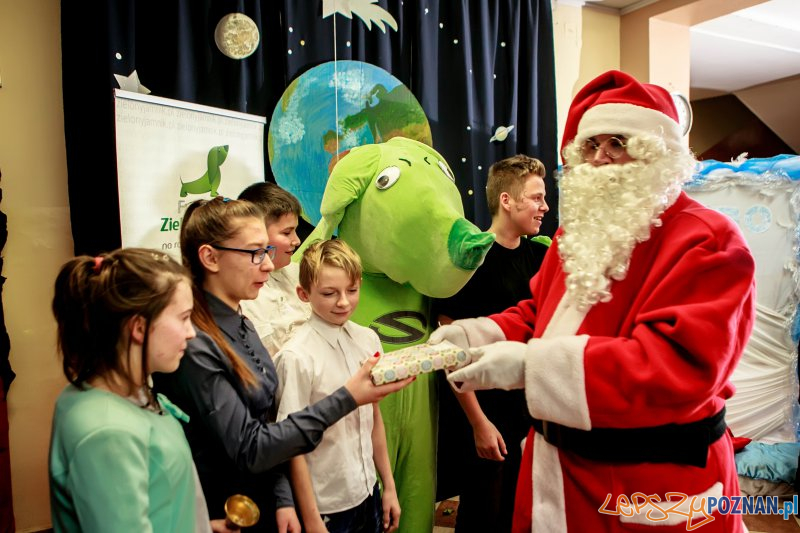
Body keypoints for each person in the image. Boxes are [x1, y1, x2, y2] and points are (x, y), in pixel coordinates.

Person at [434, 70, 756, 532]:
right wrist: (475, 332)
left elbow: (676, 369)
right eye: (590, 146)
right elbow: (537, 314)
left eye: (617, 144)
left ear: (656, 154)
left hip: (647, 484)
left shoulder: (708, 241)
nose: (600, 158)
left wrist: (528, 366)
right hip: (557, 473)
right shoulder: (576, 236)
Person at [153, 197, 412, 533]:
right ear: (210, 257)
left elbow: (267, 421)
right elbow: (250, 446)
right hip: (225, 512)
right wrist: (348, 396)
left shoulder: (241, 321)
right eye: (254, 253)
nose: (266, 265)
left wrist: (283, 499)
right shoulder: (198, 345)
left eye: (266, 251)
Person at [49, 248, 233, 532]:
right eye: (184, 318)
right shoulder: (107, 433)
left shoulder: (129, 390)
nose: (192, 332)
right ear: (138, 328)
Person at [434, 154, 549, 532]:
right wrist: (478, 423)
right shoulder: (471, 260)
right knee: (485, 514)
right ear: (506, 200)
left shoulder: (542, 257)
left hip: (531, 414)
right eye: (535, 198)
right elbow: (452, 351)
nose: (544, 207)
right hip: (485, 414)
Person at [274, 239, 400, 533]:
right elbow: (292, 447)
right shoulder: (296, 357)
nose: (343, 302)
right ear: (303, 294)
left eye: (352, 290)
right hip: (325, 504)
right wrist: (311, 518)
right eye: (329, 293)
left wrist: (388, 485)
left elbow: (374, 419)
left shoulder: (368, 339)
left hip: (368, 489)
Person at [238, 182, 311, 357]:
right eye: (287, 233)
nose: (297, 241)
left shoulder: (300, 273)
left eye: (295, 231)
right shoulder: (238, 295)